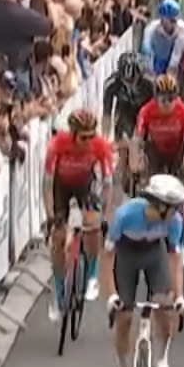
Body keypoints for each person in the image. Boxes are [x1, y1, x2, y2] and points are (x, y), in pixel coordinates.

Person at [100, 173, 184, 367]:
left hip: (154, 255)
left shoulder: (175, 222)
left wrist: (179, 296)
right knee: (125, 316)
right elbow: (107, 258)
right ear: (160, 206)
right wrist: (111, 295)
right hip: (126, 255)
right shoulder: (125, 216)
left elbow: (173, 260)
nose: (178, 212)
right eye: (174, 208)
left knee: (163, 303)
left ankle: (162, 358)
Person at [43, 109, 113, 320]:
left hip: (86, 185)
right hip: (60, 187)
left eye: (92, 135)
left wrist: (105, 215)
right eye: (84, 137)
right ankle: (58, 290)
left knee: (92, 226)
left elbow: (108, 184)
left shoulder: (100, 146)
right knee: (58, 238)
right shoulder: (57, 145)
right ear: (72, 133)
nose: (88, 141)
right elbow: (46, 185)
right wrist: (50, 216)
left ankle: (91, 275)